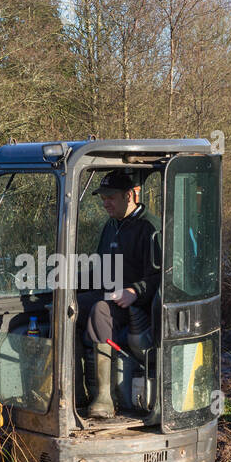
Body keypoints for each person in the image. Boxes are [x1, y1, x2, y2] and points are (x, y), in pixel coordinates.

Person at [76, 170, 160, 418]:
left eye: (110, 197)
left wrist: (136, 291)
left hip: (139, 306)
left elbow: (164, 276)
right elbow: (102, 269)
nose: (105, 203)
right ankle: (75, 391)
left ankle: (104, 397)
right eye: (102, 198)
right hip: (111, 294)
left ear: (129, 195)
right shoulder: (111, 226)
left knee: (100, 310)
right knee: (65, 306)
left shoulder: (150, 227)